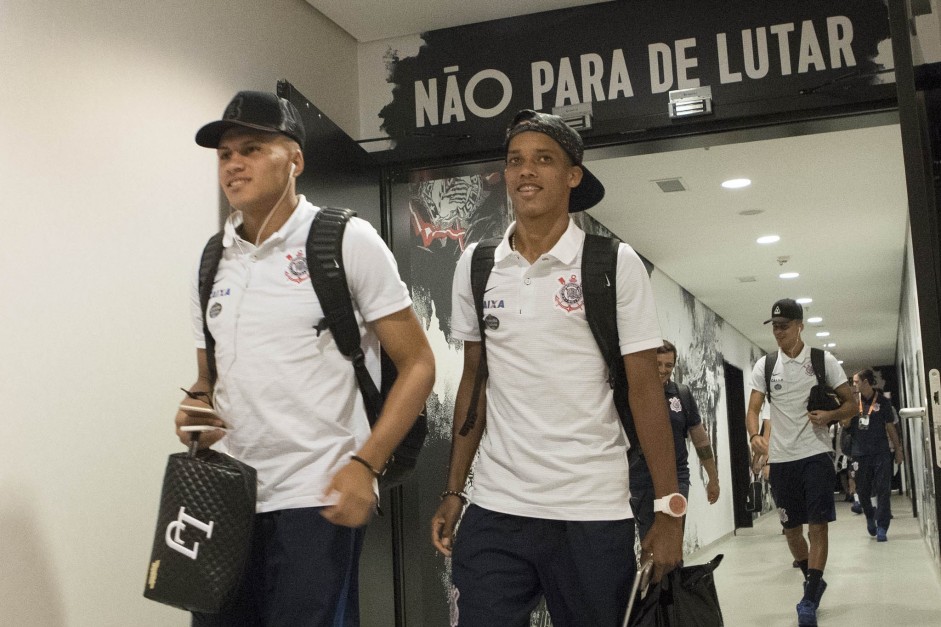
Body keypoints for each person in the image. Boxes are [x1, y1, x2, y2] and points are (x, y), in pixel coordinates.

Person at [174, 91, 435, 627]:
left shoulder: (345, 239)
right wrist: (196, 405)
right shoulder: (211, 260)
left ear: (294, 159)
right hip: (226, 499)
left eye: (250, 148)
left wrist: (367, 464)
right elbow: (208, 376)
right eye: (224, 154)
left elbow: (418, 364)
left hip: (314, 496)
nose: (233, 164)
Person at [430, 109, 683, 627]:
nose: (527, 171)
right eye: (516, 161)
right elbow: (474, 385)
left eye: (544, 160)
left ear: (573, 176)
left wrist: (668, 508)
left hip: (589, 512)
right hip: (498, 506)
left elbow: (643, 391)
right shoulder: (478, 266)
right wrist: (455, 491)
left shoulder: (613, 263)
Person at [746, 298, 856, 627]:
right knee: (792, 531)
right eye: (775, 326)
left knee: (817, 525)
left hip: (815, 453)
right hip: (782, 460)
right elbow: (753, 410)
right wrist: (754, 437)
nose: (778, 332)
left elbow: (852, 405)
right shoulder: (765, 366)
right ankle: (814, 581)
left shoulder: (823, 362)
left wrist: (831, 415)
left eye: (784, 326)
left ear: (800, 326)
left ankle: (809, 598)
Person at [630, 340, 720, 540]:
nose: (663, 370)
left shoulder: (682, 394)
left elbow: (700, 439)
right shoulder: (634, 394)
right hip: (642, 478)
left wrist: (713, 478)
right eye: (658, 364)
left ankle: (674, 572)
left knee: (673, 537)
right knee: (649, 539)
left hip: (676, 477)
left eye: (668, 365)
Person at [843, 369, 904, 541]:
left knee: (883, 490)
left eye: (856, 382)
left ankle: (882, 526)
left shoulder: (883, 402)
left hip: (881, 453)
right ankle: (870, 515)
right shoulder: (853, 402)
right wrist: (850, 407)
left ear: (866, 382)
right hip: (860, 454)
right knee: (862, 490)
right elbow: (845, 424)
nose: (853, 385)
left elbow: (890, 427)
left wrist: (898, 449)